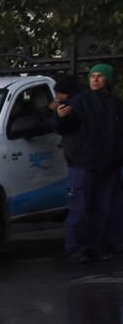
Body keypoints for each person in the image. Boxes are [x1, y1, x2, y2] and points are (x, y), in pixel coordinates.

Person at [52, 64, 123, 263]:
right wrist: (59, 117)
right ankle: (76, 250)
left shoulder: (116, 104)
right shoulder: (79, 101)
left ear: (108, 80)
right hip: (82, 164)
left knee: (102, 210)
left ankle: (95, 247)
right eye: (93, 76)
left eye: (100, 76)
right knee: (80, 209)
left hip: (107, 166)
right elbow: (61, 125)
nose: (95, 79)